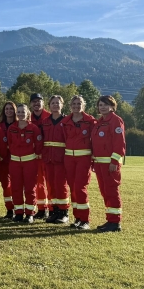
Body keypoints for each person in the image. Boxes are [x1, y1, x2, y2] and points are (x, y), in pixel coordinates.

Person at [61, 95, 97, 230]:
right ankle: (77, 218)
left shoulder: (90, 121)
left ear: (84, 105)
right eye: (74, 104)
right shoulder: (65, 122)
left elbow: (95, 140)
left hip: (84, 158)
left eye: (79, 103)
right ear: (70, 106)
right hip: (69, 158)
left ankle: (85, 220)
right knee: (73, 188)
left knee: (80, 188)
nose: (76, 106)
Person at [91, 95, 125, 233]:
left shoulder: (115, 120)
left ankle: (115, 222)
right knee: (105, 192)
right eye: (100, 105)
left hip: (110, 164)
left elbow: (119, 143)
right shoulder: (100, 122)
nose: (103, 107)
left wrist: (114, 161)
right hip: (100, 163)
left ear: (112, 106)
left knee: (111, 191)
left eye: (105, 104)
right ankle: (110, 219)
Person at [8, 104, 43, 223]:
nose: (20, 114)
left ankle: (29, 214)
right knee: (16, 188)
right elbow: (9, 143)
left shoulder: (33, 128)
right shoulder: (12, 128)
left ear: (28, 113)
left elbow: (38, 144)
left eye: (23, 111)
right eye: (18, 112)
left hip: (29, 162)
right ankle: (18, 213)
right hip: (15, 162)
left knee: (30, 188)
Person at [41, 95, 69, 224]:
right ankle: (54, 210)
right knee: (51, 185)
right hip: (48, 159)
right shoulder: (45, 121)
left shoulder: (67, 121)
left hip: (61, 159)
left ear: (62, 105)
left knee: (61, 185)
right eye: (53, 103)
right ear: (49, 105)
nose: (55, 105)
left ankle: (64, 212)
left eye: (58, 103)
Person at [29, 93, 51, 219]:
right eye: (34, 101)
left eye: (39, 101)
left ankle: (54, 209)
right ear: (31, 104)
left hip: (49, 155)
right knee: (38, 183)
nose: (36, 103)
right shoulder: (28, 118)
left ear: (43, 102)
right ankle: (42, 208)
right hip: (34, 156)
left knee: (51, 182)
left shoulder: (49, 116)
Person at [0, 101, 16, 219]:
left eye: (11, 109)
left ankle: (19, 208)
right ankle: (9, 209)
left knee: (16, 185)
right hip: (3, 159)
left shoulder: (19, 124)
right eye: (6, 109)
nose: (9, 111)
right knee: (5, 185)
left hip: (16, 158)